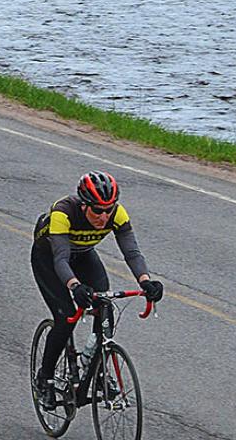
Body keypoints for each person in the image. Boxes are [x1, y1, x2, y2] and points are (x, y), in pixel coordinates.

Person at [32, 170, 164, 407]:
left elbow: (132, 252)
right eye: (97, 210)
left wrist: (146, 281)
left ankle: (97, 365)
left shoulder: (117, 214)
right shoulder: (63, 212)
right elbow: (61, 259)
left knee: (105, 306)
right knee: (66, 318)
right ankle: (45, 377)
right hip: (49, 259)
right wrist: (75, 286)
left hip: (83, 255)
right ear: (84, 205)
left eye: (108, 210)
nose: (103, 217)